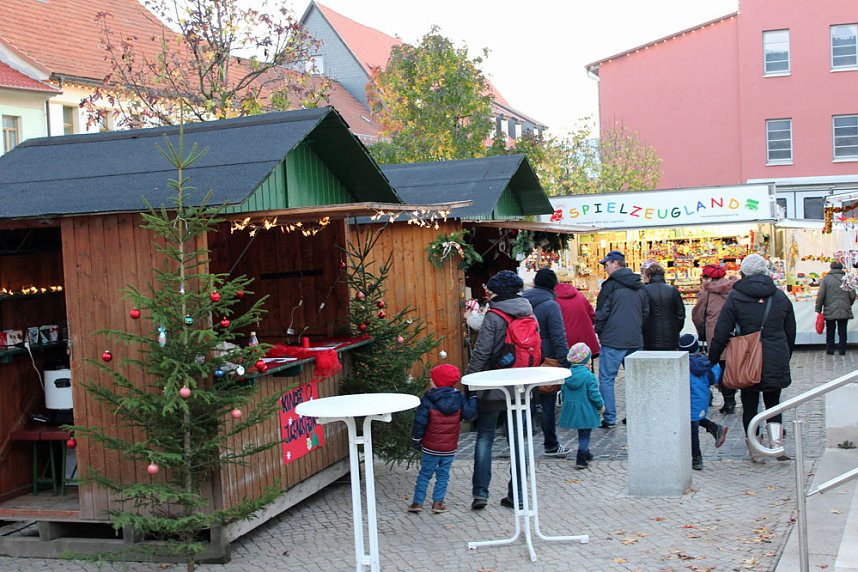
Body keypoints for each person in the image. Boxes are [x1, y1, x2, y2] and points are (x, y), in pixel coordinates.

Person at [708, 254, 796, 464]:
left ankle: (755, 449)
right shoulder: (779, 296)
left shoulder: (736, 297)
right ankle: (776, 444)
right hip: (775, 354)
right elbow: (790, 330)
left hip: (747, 356)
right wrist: (785, 354)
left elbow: (722, 330)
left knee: (749, 402)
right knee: (773, 400)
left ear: (743, 273)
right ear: (765, 272)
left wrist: (711, 358)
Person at [465, 269, 533, 510]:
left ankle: (480, 494)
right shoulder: (528, 312)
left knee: (485, 437)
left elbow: (482, 352)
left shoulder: (494, 315)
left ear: (498, 292)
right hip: (521, 387)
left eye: (490, 289)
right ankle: (518, 495)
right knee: (519, 440)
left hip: (494, 386)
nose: (488, 293)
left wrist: (470, 380)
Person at [408, 364, 478, 514]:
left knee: (425, 474)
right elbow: (469, 414)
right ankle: (438, 503)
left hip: (430, 447)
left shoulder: (428, 399)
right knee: (443, 475)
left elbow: (420, 422)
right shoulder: (458, 398)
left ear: (437, 381)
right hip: (449, 447)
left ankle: (417, 502)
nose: (430, 381)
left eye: (432, 379)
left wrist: (416, 439)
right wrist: (473, 397)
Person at [594, 250, 649, 428]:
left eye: (607, 264)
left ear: (616, 264)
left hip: (613, 339)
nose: (605, 268)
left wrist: (600, 332)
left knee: (607, 379)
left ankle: (610, 417)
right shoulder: (638, 286)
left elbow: (602, 313)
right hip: (634, 338)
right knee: (636, 380)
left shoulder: (610, 286)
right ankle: (638, 414)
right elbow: (645, 312)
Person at [522, 268, 570, 457]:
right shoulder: (551, 305)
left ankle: (519, 444)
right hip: (547, 358)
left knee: (525, 400)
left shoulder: (523, 301)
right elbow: (559, 335)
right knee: (548, 401)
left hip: (525, 357)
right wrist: (565, 361)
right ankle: (551, 444)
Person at [692, 264, 739, 413]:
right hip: (735, 335)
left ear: (710, 278)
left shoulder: (707, 294)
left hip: (716, 335)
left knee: (719, 365)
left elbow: (698, 315)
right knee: (731, 366)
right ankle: (732, 396)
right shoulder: (734, 290)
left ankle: (726, 399)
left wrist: (701, 330)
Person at [679, 334, 728, 470]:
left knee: (692, 427)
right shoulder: (705, 361)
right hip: (702, 398)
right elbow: (714, 378)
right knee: (693, 420)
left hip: (689, 398)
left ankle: (697, 458)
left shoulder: (683, 364)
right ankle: (714, 428)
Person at [558, 342, 604, 469]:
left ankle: (586, 452)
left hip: (573, 409)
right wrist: (601, 406)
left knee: (581, 431)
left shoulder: (567, 374)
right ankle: (582, 456)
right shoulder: (589, 376)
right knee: (585, 433)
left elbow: (564, 392)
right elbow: (594, 394)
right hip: (586, 409)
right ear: (585, 359)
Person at [641, 262, 685, 351]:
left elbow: (641, 314)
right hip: (671, 336)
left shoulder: (644, 291)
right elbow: (680, 314)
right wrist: (675, 329)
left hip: (649, 336)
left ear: (649, 275)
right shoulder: (672, 290)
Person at [815, 260, 856, 355]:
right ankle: (842, 349)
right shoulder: (847, 278)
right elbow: (853, 294)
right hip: (844, 308)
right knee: (842, 329)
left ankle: (830, 349)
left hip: (830, 309)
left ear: (831, 267)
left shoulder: (826, 279)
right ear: (841, 268)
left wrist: (818, 308)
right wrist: (848, 303)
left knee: (830, 330)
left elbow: (821, 295)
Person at [555, 281, 600, 359]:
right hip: (586, 340)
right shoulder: (580, 296)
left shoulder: (554, 300)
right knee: (586, 366)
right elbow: (592, 315)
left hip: (567, 341)